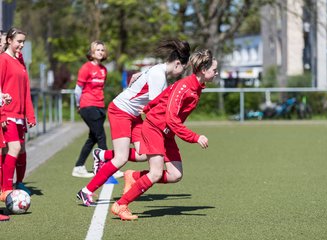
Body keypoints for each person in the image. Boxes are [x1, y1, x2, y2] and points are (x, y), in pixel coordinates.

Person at [77, 39, 191, 206]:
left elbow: (139, 80)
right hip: (121, 111)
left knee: (143, 154)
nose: (181, 73)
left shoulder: (158, 70)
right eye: (183, 69)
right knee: (121, 157)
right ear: (177, 63)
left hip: (133, 114)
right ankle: (86, 191)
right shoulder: (159, 75)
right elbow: (154, 109)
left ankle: (101, 155)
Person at [111, 49, 218, 221]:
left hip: (166, 132)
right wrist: (195, 137)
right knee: (155, 173)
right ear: (203, 70)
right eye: (214, 69)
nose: (216, 73)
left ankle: (134, 176)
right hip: (155, 128)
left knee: (175, 175)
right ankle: (121, 205)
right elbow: (172, 118)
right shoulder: (185, 86)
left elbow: (164, 96)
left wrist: (148, 107)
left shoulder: (196, 87)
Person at [0, 27, 36, 201]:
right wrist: (2, 115)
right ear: (9, 41)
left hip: (20, 115)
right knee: (12, 148)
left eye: (23, 42)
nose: (21, 45)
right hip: (8, 113)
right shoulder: (3, 60)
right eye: (18, 41)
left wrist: (30, 114)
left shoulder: (20, 61)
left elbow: (26, 89)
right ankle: (6, 189)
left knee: (20, 149)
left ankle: (19, 183)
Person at [72, 40, 118, 178]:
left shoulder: (104, 70)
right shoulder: (86, 68)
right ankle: (107, 169)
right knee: (101, 136)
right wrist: (78, 105)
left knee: (92, 138)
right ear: (92, 52)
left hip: (99, 106)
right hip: (87, 105)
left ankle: (79, 167)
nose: (101, 52)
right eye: (98, 50)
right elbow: (77, 90)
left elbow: (100, 88)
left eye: (102, 50)